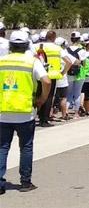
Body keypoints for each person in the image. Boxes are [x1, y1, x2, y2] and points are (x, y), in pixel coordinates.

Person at [0, 30, 52, 194]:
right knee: (26, 147)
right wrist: (42, 100)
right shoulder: (32, 61)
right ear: (26, 45)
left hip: (3, 110)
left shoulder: (1, 61)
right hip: (25, 111)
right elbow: (46, 81)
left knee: (2, 148)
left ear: (10, 45)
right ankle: (25, 182)